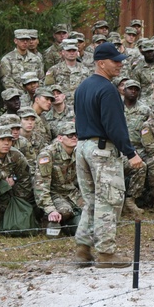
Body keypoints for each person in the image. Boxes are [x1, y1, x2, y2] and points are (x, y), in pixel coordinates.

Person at [74, 42, 144, 269]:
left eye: (121, 60)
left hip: (83, 146)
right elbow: (114, 126)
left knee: (92, 200)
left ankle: (83, 250)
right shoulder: (108, 90)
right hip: (102, 150)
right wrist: (130, 153)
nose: (120, 64)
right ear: (101, 63)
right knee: (109, 201)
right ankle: (105, 253)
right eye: (115, 61)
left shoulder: (83, 87)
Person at [33, 122, 83, 227]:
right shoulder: (47, 155)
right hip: (54, 194)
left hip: (72, 192)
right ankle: (47, 219)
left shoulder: (79, 151)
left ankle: (71, 223)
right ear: (60, 138)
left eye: (76, 135)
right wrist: (50, 210)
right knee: (64, 211)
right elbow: (41, 186)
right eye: (70, 135)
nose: (74, 138)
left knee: (92, 209)